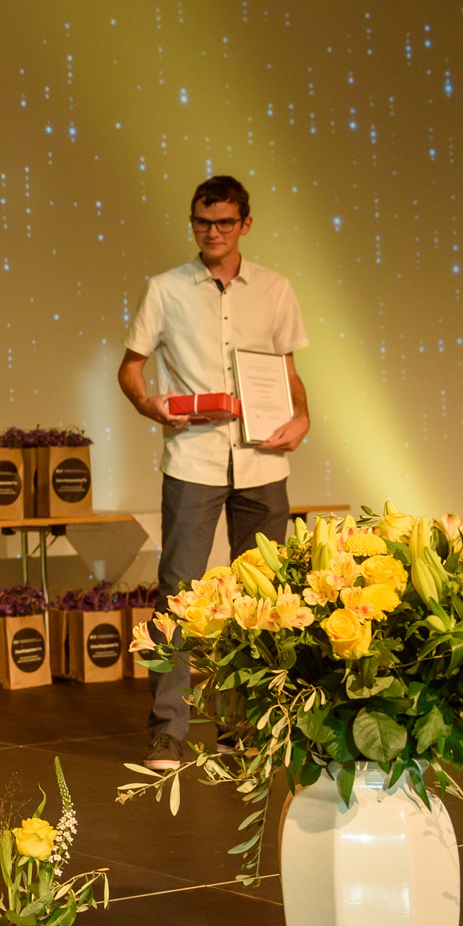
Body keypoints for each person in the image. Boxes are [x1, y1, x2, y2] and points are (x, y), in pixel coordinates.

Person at [118, 175, 310, 771]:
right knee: (179, 594)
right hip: (193, 458)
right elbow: (130, 368)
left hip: (261, 459)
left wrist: (302, 417)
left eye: (225, 222)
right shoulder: (166, 288)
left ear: (245, 224)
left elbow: (286, 373)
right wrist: (147, 404)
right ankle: (168, 732)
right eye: (203, 222)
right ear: (193, 223)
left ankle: (246, 727)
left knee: (260, 595)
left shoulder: (275, 288)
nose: (213, 232)